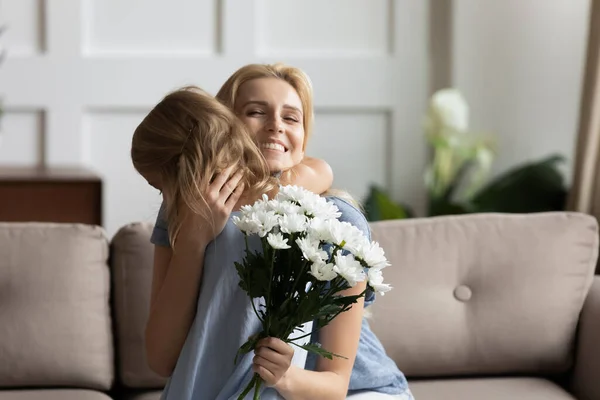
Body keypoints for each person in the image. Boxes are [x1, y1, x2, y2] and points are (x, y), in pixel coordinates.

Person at [131, 64, 413, 399]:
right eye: (255, 112)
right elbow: (162, 360)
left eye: (292, 118)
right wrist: (193, 241)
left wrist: (285, 378)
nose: (276, 125)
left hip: (352, 389)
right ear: (224, 125)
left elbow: (335, 384)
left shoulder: (333, 220)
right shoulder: (186, 206)